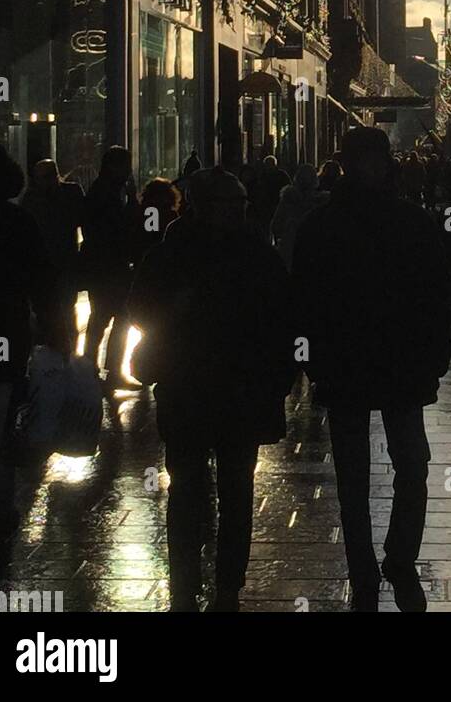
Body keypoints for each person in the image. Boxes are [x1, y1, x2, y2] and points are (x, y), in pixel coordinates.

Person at [291, 126, 451, 613]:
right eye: (363, 160)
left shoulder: (404, 222)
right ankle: (367, 566)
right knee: (357, 475)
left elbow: (434, 295)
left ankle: (396, 560)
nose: (371, 169)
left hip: (388, 363)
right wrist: (309, 358)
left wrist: (435, 352)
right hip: (355, 364)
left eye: (376, 159)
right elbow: (305, 302)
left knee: (412, 466)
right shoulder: (330, 226)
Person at [130, 167, 295, 612]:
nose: (237, 213)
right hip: (211, 388)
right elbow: (282, 318)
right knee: (209, 488)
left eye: (240, 205)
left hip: (210, 388)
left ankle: (212, 586)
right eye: (229, 205)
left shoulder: (177, 253)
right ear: (202, 207)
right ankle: (208, 585)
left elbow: (282, 319)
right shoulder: (251, 254)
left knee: (210, 488)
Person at [0, 143, 61, 555]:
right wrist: (56, 329)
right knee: (4, 424)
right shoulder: (18, 221)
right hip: (6, 332)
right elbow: (43, 280)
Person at [80, 146, 141, 388]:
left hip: (104, 266)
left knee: (102, 319)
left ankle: (93, 368)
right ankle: (107, 370)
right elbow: (120, 227)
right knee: (112, 317)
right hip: (109, 267)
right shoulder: (108, 194)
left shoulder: (104, 191)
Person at [20, 158, 84, 347]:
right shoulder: (35, 198)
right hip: (49, 264)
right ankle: (61, 350)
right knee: (53, 310)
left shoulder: (34, 198)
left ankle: (63, 350)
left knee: (62, 309)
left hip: (61, 263)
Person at [270, 163, 327, 273]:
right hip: (316, 251)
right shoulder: (321, 202)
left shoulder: (288, 200)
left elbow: (276, 226)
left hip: (291, 248)